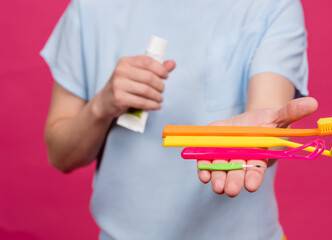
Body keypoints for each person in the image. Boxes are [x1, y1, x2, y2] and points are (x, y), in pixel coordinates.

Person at [41, 0, 317, 239]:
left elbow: (269, 113)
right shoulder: (91, 8)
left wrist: (258, 139)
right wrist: (101, 106)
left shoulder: (271, 6)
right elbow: (60, 155)